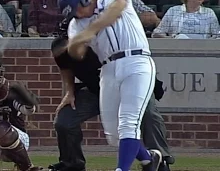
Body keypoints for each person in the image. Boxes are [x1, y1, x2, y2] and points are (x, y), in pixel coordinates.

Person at [48, 18, 174, 171]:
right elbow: (65, 68)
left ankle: (160, 159)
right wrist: (69, 92)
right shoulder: (60, 46)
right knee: (64, 121)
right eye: (69, 36)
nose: (73, 41)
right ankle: (72, 163)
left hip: (130, 84)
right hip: (95, 90)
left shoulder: (106, 42)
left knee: (149, 114)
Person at [152, 0, 219, 39]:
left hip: (203, 48)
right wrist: (172, 40)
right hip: (177, 48)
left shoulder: (209, 13)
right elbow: (157, 33)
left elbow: (217, 35)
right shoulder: (173, 11)